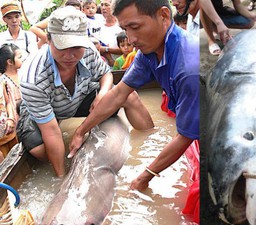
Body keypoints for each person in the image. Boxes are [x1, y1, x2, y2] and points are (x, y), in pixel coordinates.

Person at [69, 0, 199, 192]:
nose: (130, 39)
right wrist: (81, 131)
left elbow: (186, 136)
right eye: (125, 29)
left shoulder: (189, 69)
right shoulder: (149, 52)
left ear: (163, 16)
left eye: (135, 27)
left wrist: (144, 177)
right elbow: (118, 94)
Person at [16, 6, 154, 177]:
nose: (70, 55)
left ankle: (150, 140)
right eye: (62, 47)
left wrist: (102, 94)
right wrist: (61, 178)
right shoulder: (33, 78)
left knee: (128, 96)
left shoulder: (88, 49)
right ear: (48, 40)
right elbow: (50, 132)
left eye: (76, 47)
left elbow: (105, 74)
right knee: (39, 150)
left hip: (79, 97)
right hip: (47, 108)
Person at [0, 43, 23, 162]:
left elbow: (8, 103)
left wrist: (11, 118)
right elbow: (11, 103)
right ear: (10, 61)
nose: (22, 59)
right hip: (9, 128)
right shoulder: (4, 80)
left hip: (17, 123)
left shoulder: (24, 73)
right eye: (19, 57)